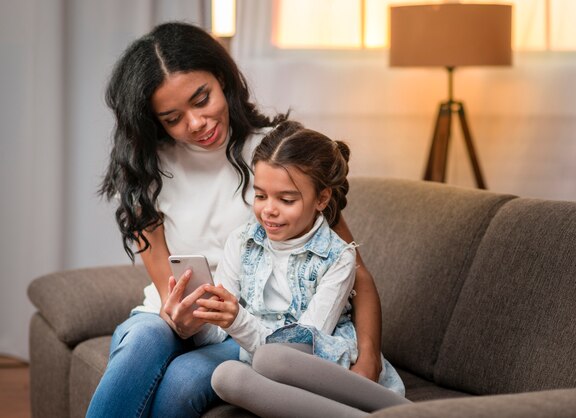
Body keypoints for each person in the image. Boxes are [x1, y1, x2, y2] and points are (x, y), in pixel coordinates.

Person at [86, 21, 385, 418]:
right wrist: (178, 315)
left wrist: (369, 361)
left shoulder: (277, 153)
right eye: (173, 118)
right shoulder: (147, 170)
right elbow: (167, 288)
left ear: (223, 79)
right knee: (143, 339)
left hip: (252, 327)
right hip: (178, 318)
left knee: (180, 383)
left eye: (202, 98)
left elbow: (352, 269)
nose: (196, 123)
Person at [196, 120, 408, 417]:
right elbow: (219, 330)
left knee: (273, 359)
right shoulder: (242, 242)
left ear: (321, 199)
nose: (268, 209)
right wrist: (197, 318)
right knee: (226, 377)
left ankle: (400, 411)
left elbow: (306, 342)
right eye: (260, 195)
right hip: (264, 362)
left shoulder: (338, 257)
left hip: (317, 363)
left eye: (286, 199)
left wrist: (237, 320)